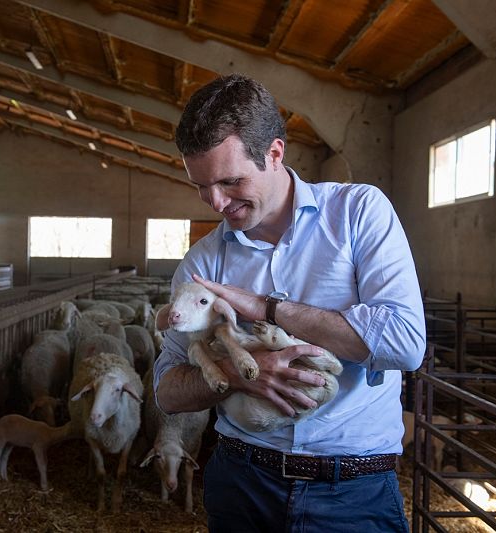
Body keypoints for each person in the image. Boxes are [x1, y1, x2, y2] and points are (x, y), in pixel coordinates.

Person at [152, 74, 426, 532]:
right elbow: (166, 389)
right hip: (242, 482)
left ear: (275, 153)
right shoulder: (202, 263)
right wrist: (237, 374)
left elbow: (405, 343)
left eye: (230, 181)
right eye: (201, 186)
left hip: (351, 491)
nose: (215, 202)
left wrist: (268, 308)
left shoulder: (358, 213)